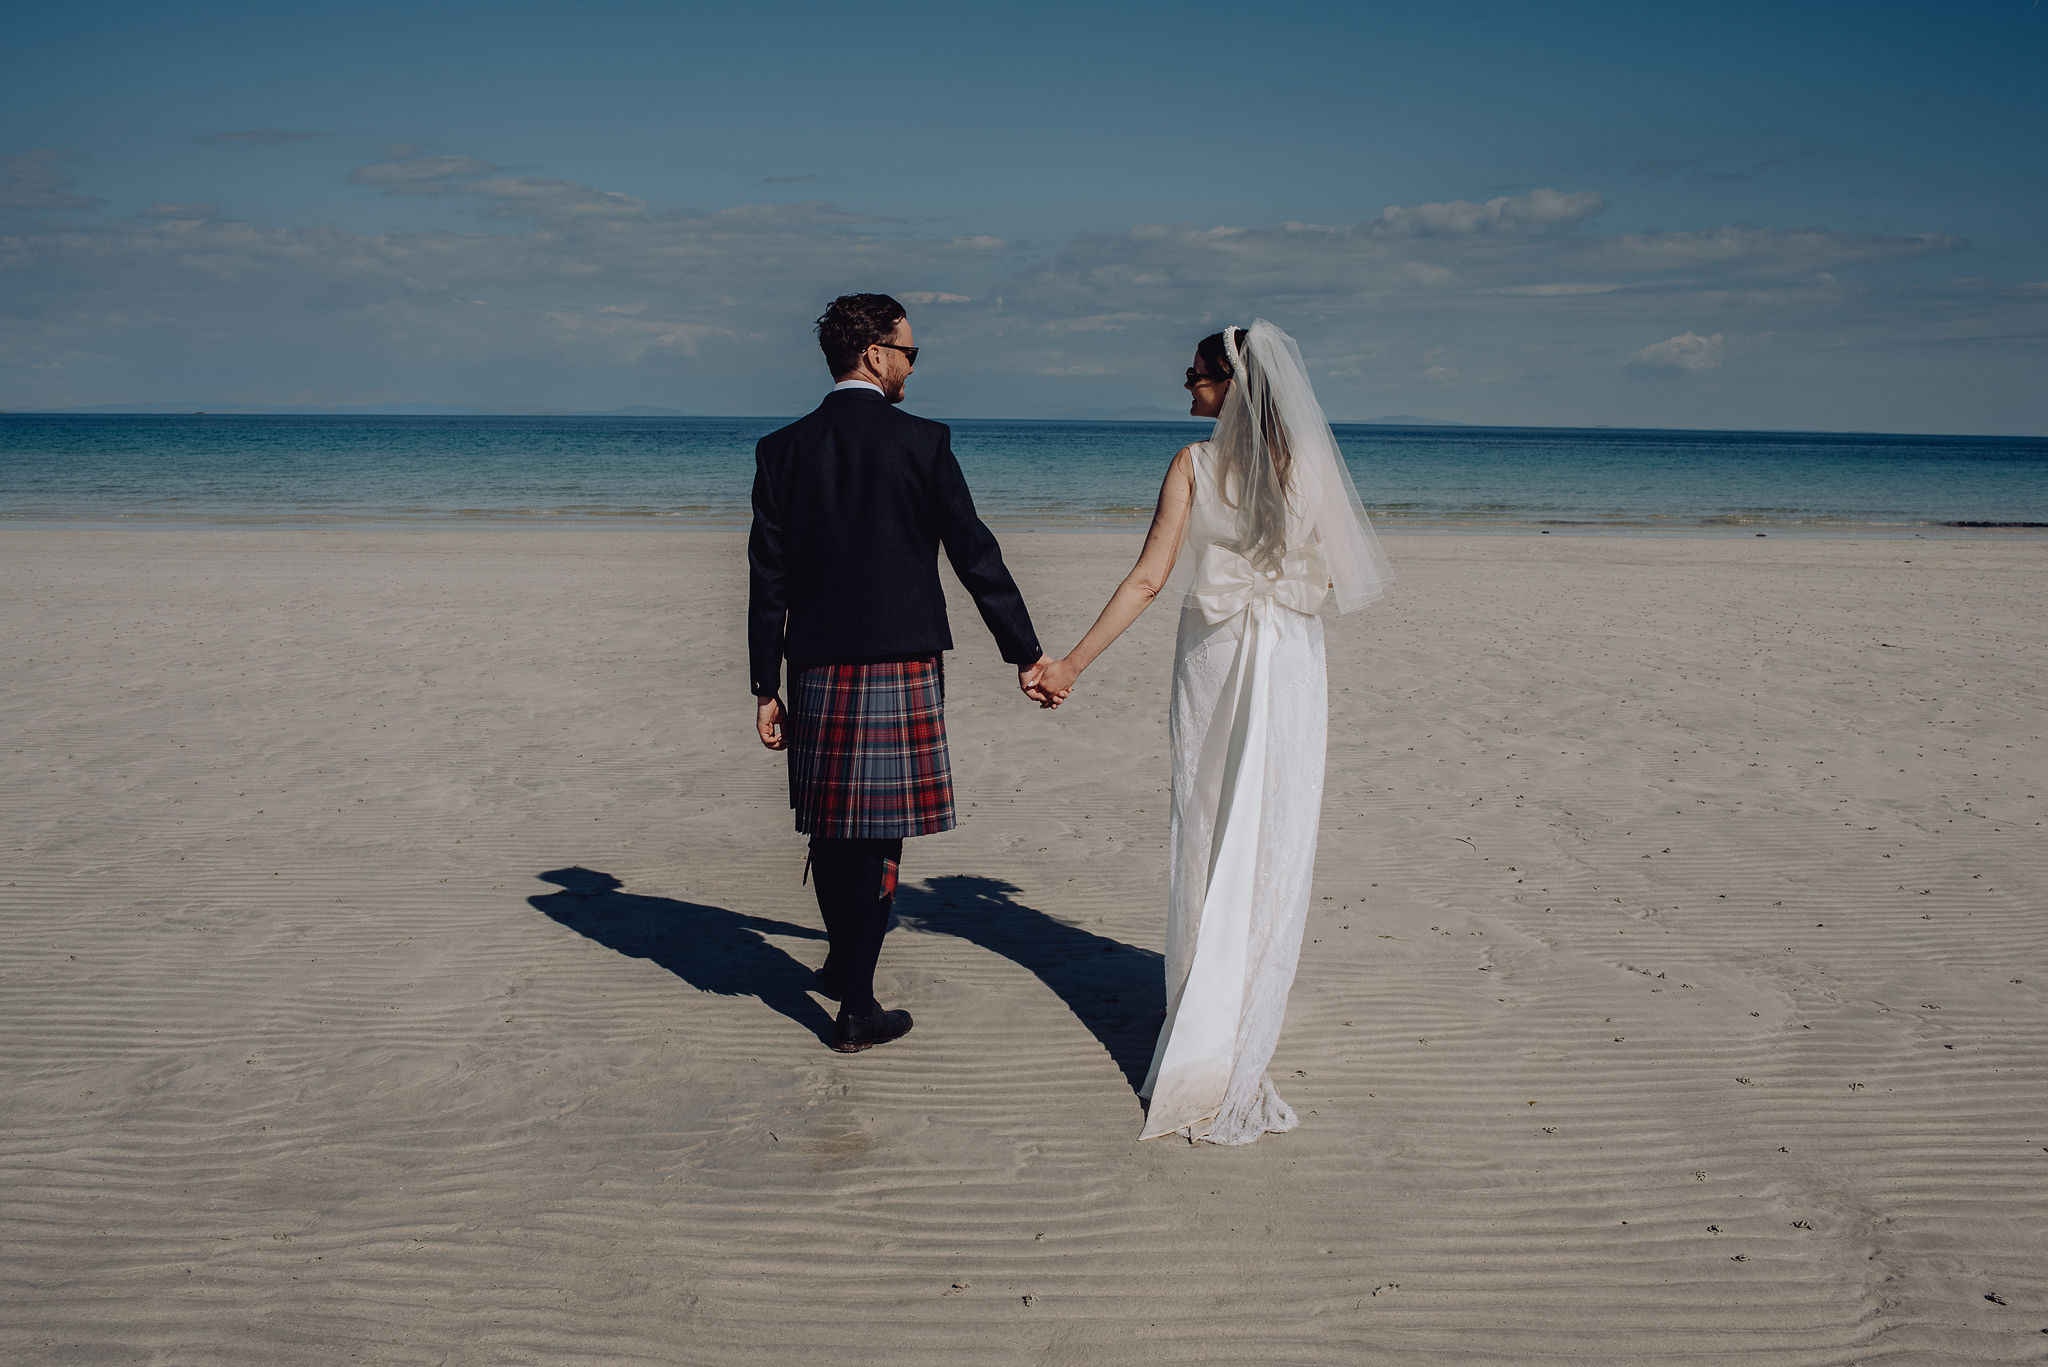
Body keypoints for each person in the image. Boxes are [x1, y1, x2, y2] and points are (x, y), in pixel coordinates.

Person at [1032, 320, 1393, 1143]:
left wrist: (1073, 664)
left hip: (1218, 655)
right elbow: (1335, 575)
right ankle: (1241, 1027)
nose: (1186, 388)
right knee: (1271, 831)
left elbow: (1151, 576)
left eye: (1193, 374)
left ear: (1228, 382)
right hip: (1291, 662)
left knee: (1204, 823)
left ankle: (1201, 1012)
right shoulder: (1310, 468)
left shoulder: (1192, 466)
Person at [748, 292, 1054, 1052]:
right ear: (875, 354)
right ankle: (857, 1004)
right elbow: (975, 554)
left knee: (831, 825)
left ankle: (842, 959)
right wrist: (1026, 651)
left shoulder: (783, 449)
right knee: (880, 833)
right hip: (901, 659)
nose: (914, 365)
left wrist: (765, 684)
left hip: (816, 661)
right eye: (909, 352)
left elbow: (768, 580)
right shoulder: (923, 441)